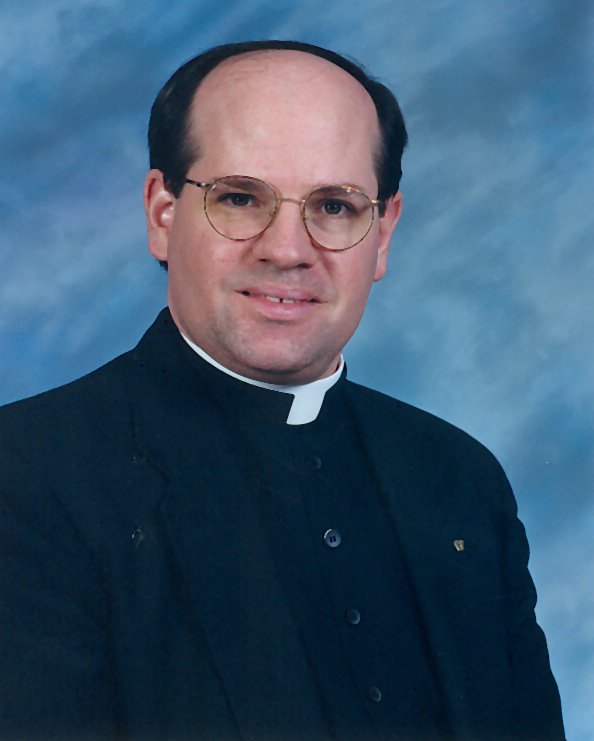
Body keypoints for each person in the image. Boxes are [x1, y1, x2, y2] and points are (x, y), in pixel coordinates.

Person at [0, 40, 564, 740]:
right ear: (161, 214)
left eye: (334, 205)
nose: (287, 249)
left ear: (382, 234)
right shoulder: (26, 474)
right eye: (240, 197)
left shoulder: (459, 480)